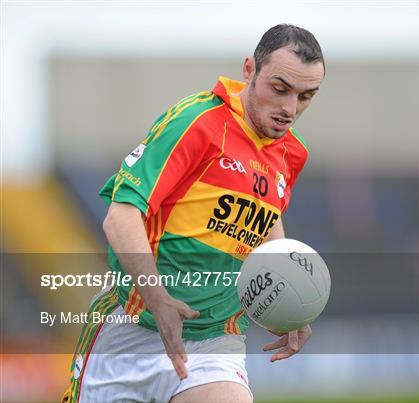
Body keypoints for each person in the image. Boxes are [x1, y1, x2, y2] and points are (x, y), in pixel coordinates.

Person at [63, 23, 325, 403]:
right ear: (249, 69)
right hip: (129, 329)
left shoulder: (291, 153)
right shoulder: (198, 122)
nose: (289, 109)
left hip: (215, 341)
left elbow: (266, 220)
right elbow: (120, 216)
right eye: (280, 89)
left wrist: (291, 301)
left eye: (306, 96)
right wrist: (158, 299)